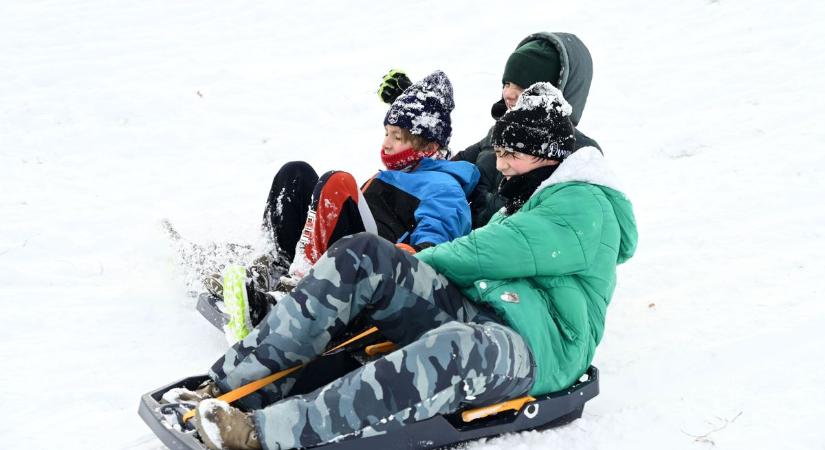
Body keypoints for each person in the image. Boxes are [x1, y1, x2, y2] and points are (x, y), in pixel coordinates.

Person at [175, 82, 637, 450]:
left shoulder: (583, 203)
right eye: (499, 154)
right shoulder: (530, 196)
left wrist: (417, 261)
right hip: (483, 309)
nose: (501, 166)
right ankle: (221, 386)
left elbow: (491, 251)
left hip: (540, 348)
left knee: (452, 350)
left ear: (548, 156)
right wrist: (393, 268)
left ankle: (261, 434)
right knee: (364, 256)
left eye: (511, 155)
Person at [215, 70, 480, 342]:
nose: (386, 144)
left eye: (397, 137)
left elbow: (436, 247)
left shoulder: (444, 188)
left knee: (338, 183)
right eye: (387, 133)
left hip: (377, 272)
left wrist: (416, 252)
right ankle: (272, 269)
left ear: (428, 147)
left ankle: (292, 300)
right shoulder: (397, 173)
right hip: (350, 258)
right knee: (295, 174)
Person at [378, 33, 600, 229]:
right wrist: (416, 112)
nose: (509, 94)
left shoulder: (578, 154)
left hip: (501, 256)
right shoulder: (496, 136)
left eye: (522, 87)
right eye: (507, 84)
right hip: (457, 246)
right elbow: (446, 168)